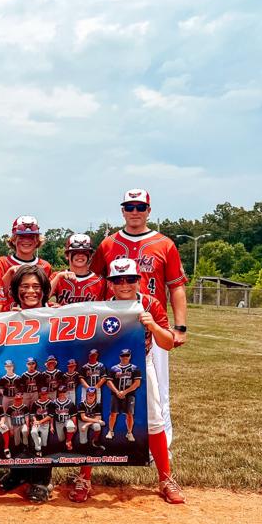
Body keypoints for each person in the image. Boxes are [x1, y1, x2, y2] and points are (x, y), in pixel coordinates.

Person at [70, 258, 185, 505]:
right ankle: (84, 477)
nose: (124, 285)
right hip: (108, 370)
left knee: (154, 421)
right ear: (110, 284)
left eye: (130, 279)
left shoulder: (149, 303)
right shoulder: (101, 307)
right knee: (97, 417)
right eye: (118, 280)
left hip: (142, 366)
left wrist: (152, 325)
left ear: (138, 280)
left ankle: (165, 479)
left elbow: (168, 343)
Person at [90, 189, 188, 447]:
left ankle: (161, 446)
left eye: (140, 207)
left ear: (148, 211)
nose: (135, 212)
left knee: (158, 388)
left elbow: (176, 286)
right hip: (116, 327)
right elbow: (94, 282)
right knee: (111, 380)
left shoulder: (164, 243)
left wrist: (180, 327)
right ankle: (112, 442)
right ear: (122, 210)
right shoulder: (108, 244)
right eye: (129, 207)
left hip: (151, 323)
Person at [0, 265, 55, 502]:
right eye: (24, 287)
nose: (30, 291)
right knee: (17, 426)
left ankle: (41, 479)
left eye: (36, 286)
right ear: (15, 290)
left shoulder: (56, 314)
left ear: (44, 290)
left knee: (39, 431)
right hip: (19, 386)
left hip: (41, 388)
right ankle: (19, 471)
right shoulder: (6, 315)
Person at [0, 216, 53, 311]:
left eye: (31, 237)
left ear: (37, 240)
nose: (26, 240)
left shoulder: (45, 266)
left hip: (36, 317)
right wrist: (9, 273)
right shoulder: (2, 262)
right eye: (22, 236)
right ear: (13, 239)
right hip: (8, 317)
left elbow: (45, 295)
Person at [50, 234, 105, 305]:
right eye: (75, 252)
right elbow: (42, 298)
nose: (80, 255)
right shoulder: (57, 276)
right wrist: (58, 277)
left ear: (91, 255)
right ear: (67, 255)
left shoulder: (100, 281)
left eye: (84, 252)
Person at [106, 349, 140, 442]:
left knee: (129, 414)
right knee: (113, 414)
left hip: (129, 395)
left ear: (130, 356)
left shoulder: (134, 368)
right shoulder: (113, 368)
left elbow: (137, 383)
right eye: (123, 355)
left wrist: (125, 392)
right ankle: (111, 431)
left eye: (127, 355)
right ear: (120, 356)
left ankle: (129, 433)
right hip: (115, 394)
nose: (125, 357)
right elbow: (109, 382)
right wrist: (117, 392)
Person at [6, 392, 31, 458]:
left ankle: (25, 446)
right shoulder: (10, 408)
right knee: (16, 441)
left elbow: (27, 417)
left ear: (22, 399)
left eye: (20, 399)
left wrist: (28, 427)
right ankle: (18, 448)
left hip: (23, 424)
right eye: (17, 399)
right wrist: (11, 429)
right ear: (14, 399)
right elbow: (8, 419)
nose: (18, 400)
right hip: (15, 425)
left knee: (25, 431)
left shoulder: (24, 407)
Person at [53, 386, 77, 451]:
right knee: (61, 439)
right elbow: (51, 416)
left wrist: (75, 425)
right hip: (58, 422)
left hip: (67, 420)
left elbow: (73, 415)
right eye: (60, 392)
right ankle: (64, 443)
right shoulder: (53, 403)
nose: (62, 394)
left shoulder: (70, 403)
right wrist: (51, 426)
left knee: (71, 426)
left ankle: (68, 441)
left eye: (63, 392)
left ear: (66, 393)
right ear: (58, 393)